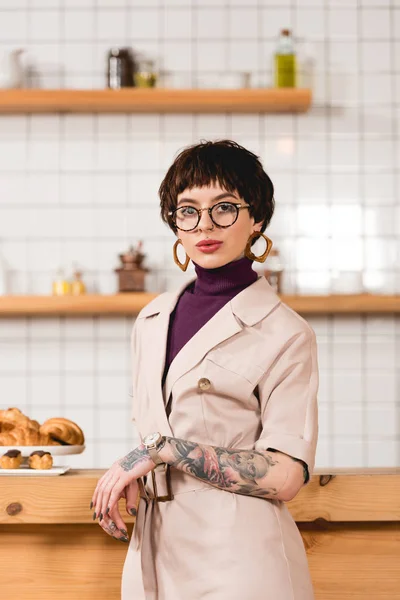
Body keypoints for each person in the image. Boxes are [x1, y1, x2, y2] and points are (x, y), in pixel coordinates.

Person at [90, 140, 319, 600]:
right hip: (153, 555)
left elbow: (286, 475)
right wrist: (138, 470)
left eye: (225, 208)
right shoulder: (152, 318)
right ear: (175, 223)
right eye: (188, 211)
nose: (205, 226)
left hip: (240, 562)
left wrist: (160, 450)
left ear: (257, 219)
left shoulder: (286, 332)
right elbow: (157, 429)